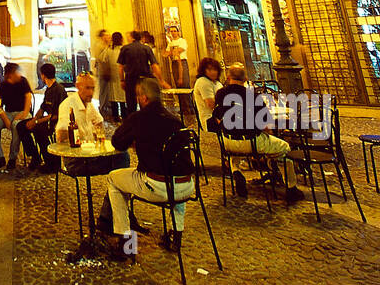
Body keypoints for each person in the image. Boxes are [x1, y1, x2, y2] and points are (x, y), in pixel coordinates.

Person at [97, 78, 193, 258]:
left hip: (157, 186)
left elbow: (117, 142)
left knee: (114, 179)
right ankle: (175, 234)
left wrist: (135, 140)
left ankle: (126, 244)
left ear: (143, 97)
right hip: (186, 187)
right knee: (176, 170)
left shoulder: (139, 118)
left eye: (138, 95)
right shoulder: (175, 120)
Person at [209, 63, 302, 202]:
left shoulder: (221, 93)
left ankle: (236, 171)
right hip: (251, 142)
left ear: (228, 78)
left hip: (228, 142)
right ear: (245, 79)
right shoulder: (252, 96)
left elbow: (216, 117)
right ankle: (291, 187)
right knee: (284, 148)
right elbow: (265, 124)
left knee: (233, 154)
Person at [0, 62, 37, 173]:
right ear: (10, 75)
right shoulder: (3, 85)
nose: (19, 75)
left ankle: (12, 158)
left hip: (22, 113)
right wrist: (5, 118)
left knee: (16, 125)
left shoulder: (22, 81)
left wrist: (25, 112)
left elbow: (28, 95)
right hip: (8, 113)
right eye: (17, 73)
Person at [26, 63, 65, 172]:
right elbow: (43, 107)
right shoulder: (48, 89)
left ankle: (51, 162)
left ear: (43, 76)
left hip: (55, 122)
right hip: (46, 120)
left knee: (39, 130)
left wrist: (36, 121)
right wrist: (34, 119)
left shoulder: (59, 90)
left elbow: (55, 115)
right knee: (22, 126)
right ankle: (35, 156)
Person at [118, 31, 160, 117]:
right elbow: (154, 64)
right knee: (145, 100)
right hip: (145, 79)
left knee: (131, 102)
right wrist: (160, 79)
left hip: (130, 78)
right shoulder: (146, 48)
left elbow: (120, 67)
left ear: (132, 37)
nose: (127, 38)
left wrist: (122, 80)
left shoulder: (125, 48)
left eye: (128, 37)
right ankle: (146, 120)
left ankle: (132, 121)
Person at [56, 72, 105, 144]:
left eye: (93, 88)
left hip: (91, 149)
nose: (91, 93)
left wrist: (97, 138)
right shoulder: (67, 105)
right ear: (78, 86)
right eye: (87, 88)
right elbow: (61, 136)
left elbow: (99, 122)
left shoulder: (89, 104)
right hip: (76, 152)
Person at [192, 57, 224, 132]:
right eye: (209, 69)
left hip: (220, 116)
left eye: (215, 69)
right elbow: (211, 104)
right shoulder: (203, 82)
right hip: (210, 119)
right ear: (204, 70)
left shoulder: (217, 83)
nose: (213, 72)